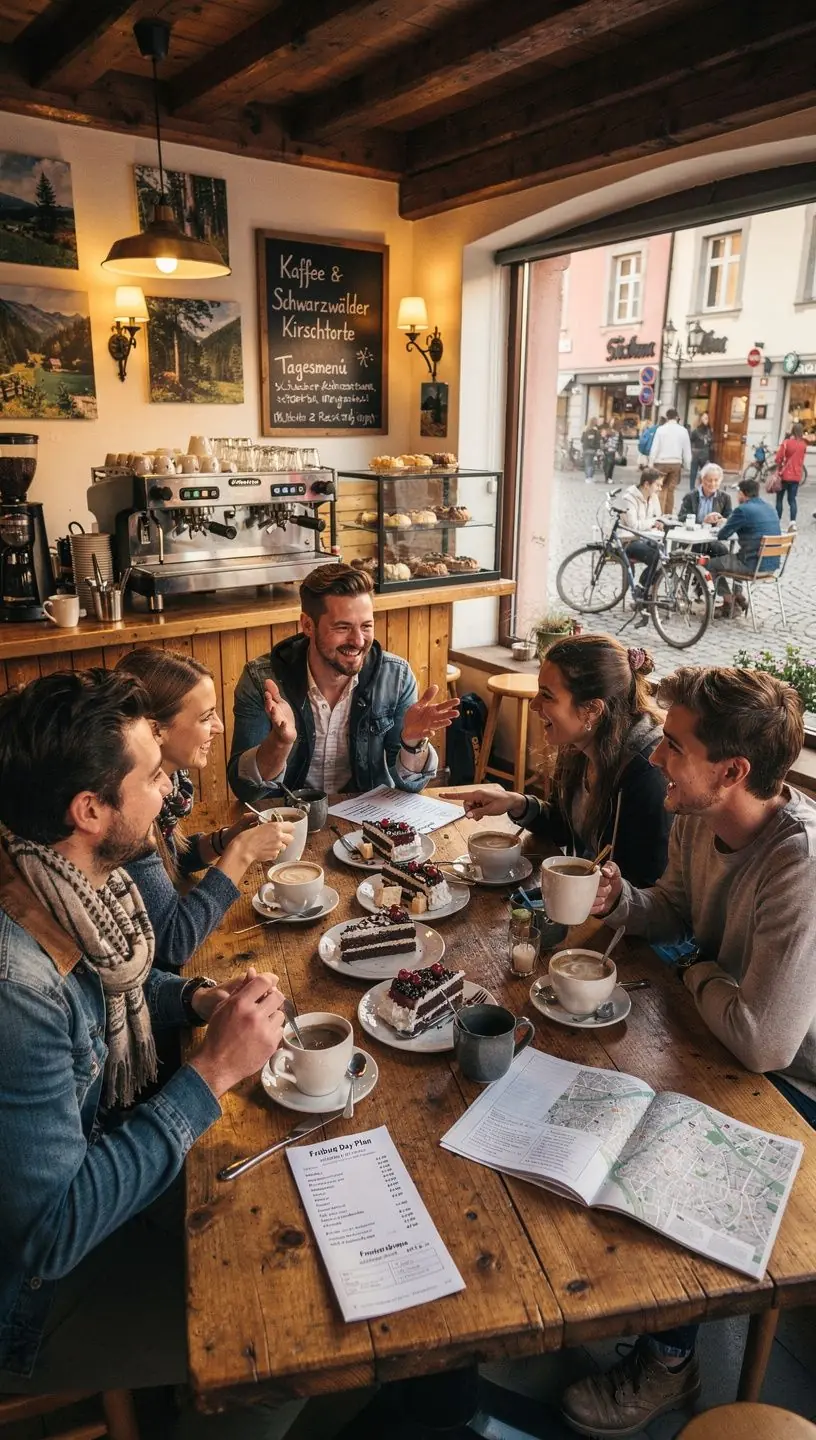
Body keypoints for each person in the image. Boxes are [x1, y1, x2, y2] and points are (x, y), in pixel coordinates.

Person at [0, 669, 291, 1402]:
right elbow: (55, 1230)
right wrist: (213, 1073)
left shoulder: (53, 876)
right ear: (90, 809)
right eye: (154, 777)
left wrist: (195, 999)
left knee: (276, 1200)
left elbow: (119, 992)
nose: (168, 794)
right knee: (272, 1328)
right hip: (33, 1301)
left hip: (98, 1163)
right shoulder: (18, 988)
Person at [561, 665, 816, 1438]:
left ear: (733, 771)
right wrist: (624, 902)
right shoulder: (695, 816)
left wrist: (692, 967)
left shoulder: (796, 865)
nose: (655, 759)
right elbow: (670, 906)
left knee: (662, 1137)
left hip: (794, 1083)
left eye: (673, 745)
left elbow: (766, 1043)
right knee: (588, 1092)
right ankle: (627, 1297)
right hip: (721, 1033)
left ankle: (671, 1362)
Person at [442, 634, 671, 888]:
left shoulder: (646, 774)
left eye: (547, 695)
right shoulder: (579, 740)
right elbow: (563, 826)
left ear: (592, 710)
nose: (534, 705)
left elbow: (645, 887)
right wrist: (517, 803)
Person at [115, 649, 295, 971]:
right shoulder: (131, 813)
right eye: (205, 717)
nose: (220, 727)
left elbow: (164, 866)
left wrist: (223, 840)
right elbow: (173, 943)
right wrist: (240, 853)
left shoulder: (168, 789)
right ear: (156, 730)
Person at [228, 563, 458, 808]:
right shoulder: (262, 680)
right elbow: (245, 790)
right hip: (286, 821)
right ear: (307, 625)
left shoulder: (396, 677)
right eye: (343, 627)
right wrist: (280, 742)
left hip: (367, 820)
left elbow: (410, 786)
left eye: (366, 626)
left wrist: (412, 742)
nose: (358, 641)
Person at [705, 475, 781, 617]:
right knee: (732, 557)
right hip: (771, 565)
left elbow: (722, 535)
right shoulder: (770, 508)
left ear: (742, 493)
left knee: (710, 565)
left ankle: (729, 603)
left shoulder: (743, 510)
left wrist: (725, 524)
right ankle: (738, 595)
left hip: (751, 564)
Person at [619, 467, 664, 611]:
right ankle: (644, 593)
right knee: (656, 557)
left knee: (666, 556)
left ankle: (645, 592)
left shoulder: (653, 497)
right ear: (646, 484)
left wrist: (659, 522)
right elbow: (634, 526)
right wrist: (653, 522)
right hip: (628, 541)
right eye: (657, 485)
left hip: (647, 538)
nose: (660, 488)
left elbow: (658, 517)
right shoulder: (629, 498)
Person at [648, 408, 692, 515]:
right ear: (677, 417)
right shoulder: (683, 431)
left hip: (661, 463)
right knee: (671, 490)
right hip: (675, 463)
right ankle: (668, 515)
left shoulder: (661, 429)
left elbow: (655, 447)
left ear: (667, 418)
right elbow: (687, 450)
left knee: (661, 489)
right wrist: (687, 465)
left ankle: (660, 514)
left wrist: (650, 462)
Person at [774, 421, 807, 525]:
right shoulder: (803, 445)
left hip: (784, 475)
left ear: (792, 430)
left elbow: (778, 458)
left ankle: (777, 521)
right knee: (792, 500)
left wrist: (779, 466)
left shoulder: (786, 443)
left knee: (779, 499)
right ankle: (793, 523)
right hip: (796, 476)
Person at [688, 410, 714, 489]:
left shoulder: (709, 430)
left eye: (707, 418)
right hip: (697, 453)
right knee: (693, 472)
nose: (707, 420)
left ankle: (702, 487)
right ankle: (692, 488)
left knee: (704, 472)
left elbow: (710, 442)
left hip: (705, 453)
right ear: (701, 419)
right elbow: (691, 440)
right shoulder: (696, 431)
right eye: (705, 418)